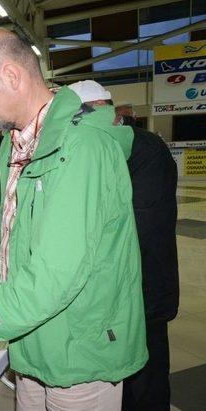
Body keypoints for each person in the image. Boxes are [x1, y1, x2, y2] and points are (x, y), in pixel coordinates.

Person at [0, 29, 147, 410]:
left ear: (11, 76)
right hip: (30, 339)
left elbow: (54, 280)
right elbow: (3, 224)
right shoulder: (15, 142)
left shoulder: (81, 151)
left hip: (79, 354)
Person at [69, 80, 179, 411]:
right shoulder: (108, 150)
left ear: (102, 111)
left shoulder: (146, 151)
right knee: (125, 382)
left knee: (147, 382)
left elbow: (135, 225)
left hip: (146, 289)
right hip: (122, 292)